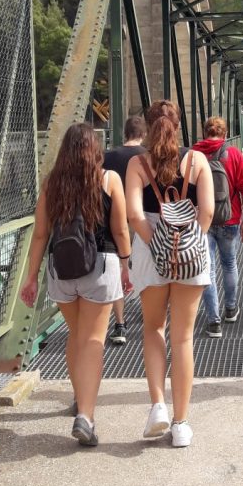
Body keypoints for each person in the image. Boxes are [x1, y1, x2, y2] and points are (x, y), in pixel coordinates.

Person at [20, 123, 132, 445]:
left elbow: (40, 235)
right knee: (93, 340)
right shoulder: (108, 179)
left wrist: (30, 278)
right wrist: (127, 267)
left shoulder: (51, 185)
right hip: (100, 268)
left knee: (76, 336)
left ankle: (80, 396)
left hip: (62, 271)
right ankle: (86, 415)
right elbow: (121, 230)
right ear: (95, 150)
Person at [125, 100, 214, 447]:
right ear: (179, 127)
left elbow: (134, 214)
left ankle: (158, 407)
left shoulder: (137, 164)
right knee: (184, 337)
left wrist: (158, 244)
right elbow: (206, 211)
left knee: (152, 329)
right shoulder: (197, 161)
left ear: (147, 128)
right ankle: (180, 424)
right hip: (191, 252)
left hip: (150, 252)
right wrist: (189, 243)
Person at [193, 116, 243, 336]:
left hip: (202, 221)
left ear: (204, 133)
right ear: (225, 134)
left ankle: (213, 321)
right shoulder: (234, 154)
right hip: (230, 218)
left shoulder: (193, 154)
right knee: (229, 263)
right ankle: (230, 308)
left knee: (206, 269)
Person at [103, 114, 147, 346]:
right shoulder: (148, 157)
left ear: (125, 133)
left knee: (118, 270)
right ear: (143, 134)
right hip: (142, 218)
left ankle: (120, 323)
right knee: (145, 265)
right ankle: (151, 308)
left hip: (115, 221)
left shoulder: (107, 156)